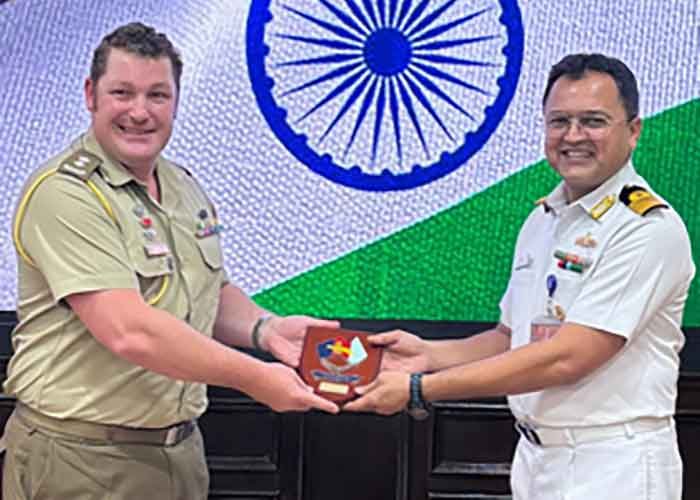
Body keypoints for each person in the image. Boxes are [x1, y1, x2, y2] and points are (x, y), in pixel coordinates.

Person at [3, 22, 339, 500]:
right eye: (122, 93)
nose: (140, 112)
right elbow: (130, 330)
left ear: (176, 102)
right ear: (91, 95)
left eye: (157, 95)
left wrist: (267, 330)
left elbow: (208, 293)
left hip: (178, 452)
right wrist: (255, 377)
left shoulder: (182, 185)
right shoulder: (66, 194)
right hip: (81, 460)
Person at [345, 53, 695, 499]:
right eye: (559, 121)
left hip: (613, 464)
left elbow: (568, 358)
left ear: (634, 131)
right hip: (536, 459)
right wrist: (427, 354)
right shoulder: (543, 220)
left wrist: (420, 388)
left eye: (593, 121)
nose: (573, 136)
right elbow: (511, 338)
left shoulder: (645, 228)